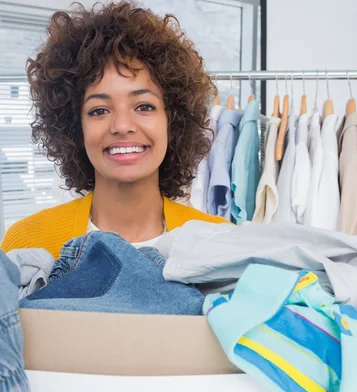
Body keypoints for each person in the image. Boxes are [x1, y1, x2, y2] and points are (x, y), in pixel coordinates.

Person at [0, 1, 227, 259]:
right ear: (75, 128)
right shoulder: (27, 242)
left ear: (173, 121)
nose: (122, 126)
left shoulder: (223, 245)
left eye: (143, 106)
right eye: (99, 110)